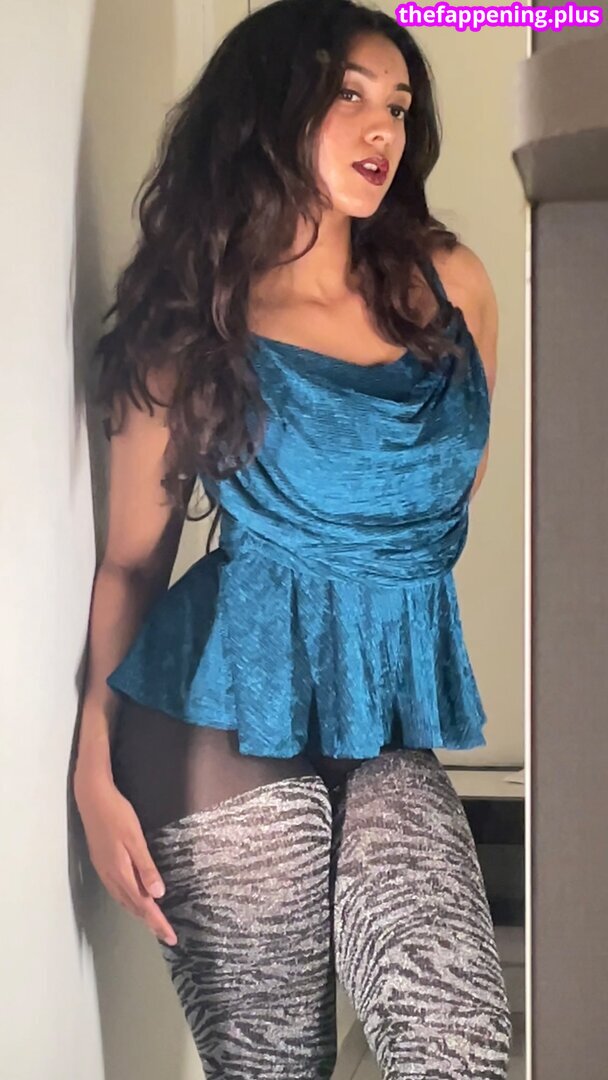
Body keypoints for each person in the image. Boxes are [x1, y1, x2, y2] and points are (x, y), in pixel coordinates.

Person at [73, 0, 511, 1076]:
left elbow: (436, 509)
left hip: (380, 717)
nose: (381, 128)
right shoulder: (196, 323)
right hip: (213, 709)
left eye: (397, 105)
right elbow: (131, 562)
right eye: (347, 96)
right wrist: (92, 762)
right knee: (274, 1064)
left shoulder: (452, 286)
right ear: (270, 114)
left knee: (454, 1045)